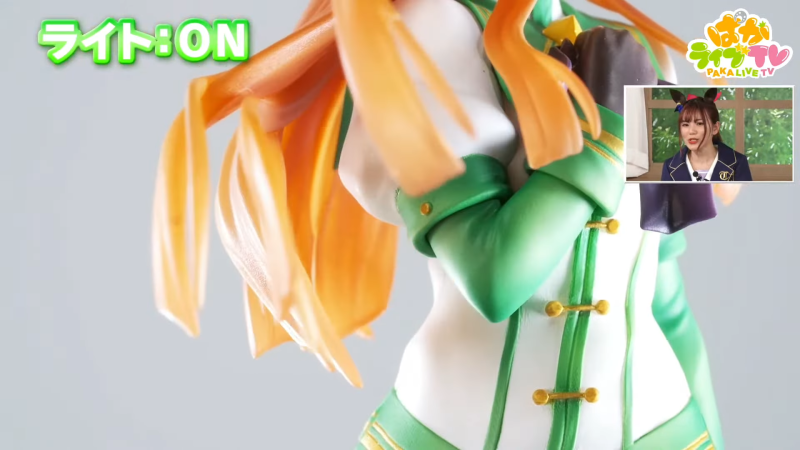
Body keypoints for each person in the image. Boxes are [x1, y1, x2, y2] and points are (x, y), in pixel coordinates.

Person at [150, 0, 738, 449]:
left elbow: (664, 294)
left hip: (664, 429)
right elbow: (494, 277)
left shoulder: (641, 47)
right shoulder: (427, 32)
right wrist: (605, 133)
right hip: (458, 431)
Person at [662, 88, 753, 181]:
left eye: (699, 123)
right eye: (685, 125)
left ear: (715, 128)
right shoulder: (669, 167)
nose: (691, 131)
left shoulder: (738, 163)